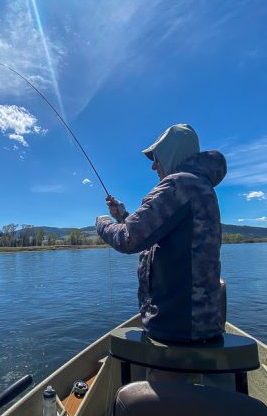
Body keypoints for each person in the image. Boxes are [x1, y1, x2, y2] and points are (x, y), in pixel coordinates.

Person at [96, 124, 227, 343]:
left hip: (177, 327)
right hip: (201, 322)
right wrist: (122, 215)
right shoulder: (199, 185)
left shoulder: (178, 184)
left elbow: (128, 239)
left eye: (156, 158)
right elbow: (157, 231)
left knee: (163, 378)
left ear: (171, 155)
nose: (154, 167)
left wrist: (102, 223)